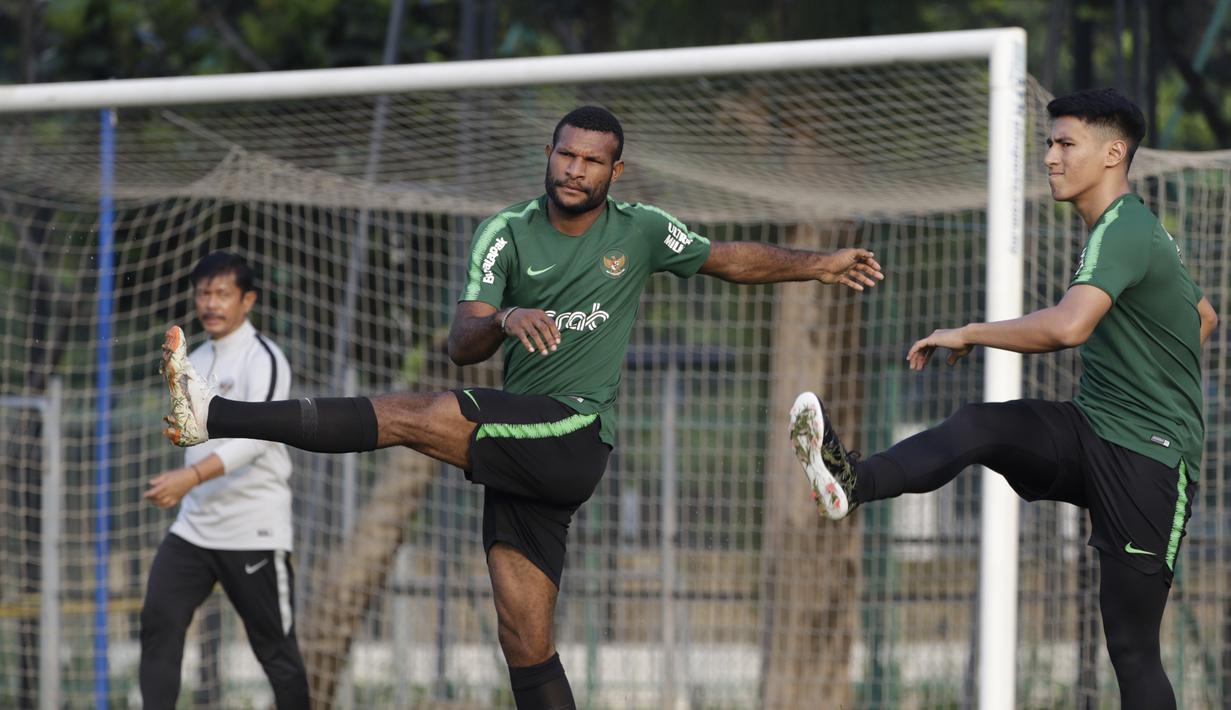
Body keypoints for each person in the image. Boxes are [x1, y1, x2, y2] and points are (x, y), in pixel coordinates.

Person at [160, 105, 883, 710]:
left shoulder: (637, 229)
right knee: (524, 640)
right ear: (549, 155)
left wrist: (817, 264)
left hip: (571, 431)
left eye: (592, 161)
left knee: (411, 415)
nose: (575, 170)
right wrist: (503, 318)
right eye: (565, 155)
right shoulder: (504, 232)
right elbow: (461, 341)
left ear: (614, 171)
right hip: (517, 444)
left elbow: (728, 258)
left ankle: (214, 416)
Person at [791, 88, 1218, 710]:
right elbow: (1202, 316)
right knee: (978, 426)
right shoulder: (1129, 231)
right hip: (1091, 428)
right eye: (1049, 142)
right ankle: (852, 481)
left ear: (1113, 153)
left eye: (1066, 143)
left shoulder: (1123, 227)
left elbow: (1070, 327)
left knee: (1132, 651)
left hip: (1150, 462)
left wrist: (970, 331)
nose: (1050, 156)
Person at [141, 252, 308, 709]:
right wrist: (180, 433)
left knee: (276, 651)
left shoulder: (266, 358)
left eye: (222, 294)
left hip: (252, 529)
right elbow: (196, 431)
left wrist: (190, 475)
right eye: (203, 294)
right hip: (195, 528)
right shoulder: (193, 358)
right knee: (159, 621)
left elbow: (257, 441)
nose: (210, 304)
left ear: (247, 299)